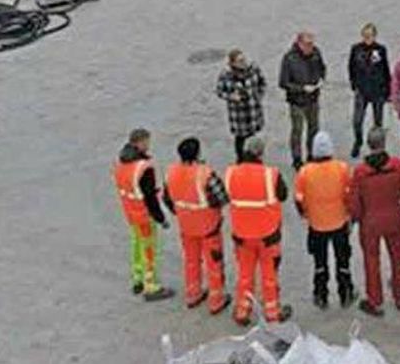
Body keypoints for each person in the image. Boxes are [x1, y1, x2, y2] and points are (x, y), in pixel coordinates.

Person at [225, 136, 292, 325]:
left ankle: (242, 310)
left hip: (241, 234)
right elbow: (283, 194)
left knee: (245, 274)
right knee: (269, 275)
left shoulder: (231, 173)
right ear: (261, 153)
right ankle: (272, 311)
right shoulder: (271, 174)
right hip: (267, 234)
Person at [162, 137, 231, 314]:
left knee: (191, 260)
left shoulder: (171, 173)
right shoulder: (205, 173)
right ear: (198, 153)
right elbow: (221, 198)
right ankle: (216, 299)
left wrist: (181, 212)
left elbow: (167, 198)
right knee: (214, 262)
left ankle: (193, 293)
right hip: (208, 226)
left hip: (186, 225)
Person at [349, 127, 400, 316]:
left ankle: (375, 299)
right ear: (384, 143)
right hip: (393, 218)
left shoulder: (360, 172)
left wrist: (357, 218)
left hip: (370, 221)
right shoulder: (397, 166)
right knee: (397, 257)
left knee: (371, 260)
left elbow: (355, 201)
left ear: (369, 145)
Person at [294, 132, 356, 310]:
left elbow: (299, 199)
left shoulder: (305, 172)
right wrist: (349, 215)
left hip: (317, 225)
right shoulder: (342, 168)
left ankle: (321, 294)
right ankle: (346, 293)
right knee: (343, 260)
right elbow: (349, 195)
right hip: (339, 222)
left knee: (319, 262)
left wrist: (306, 214)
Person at [113, 128, 175, 301]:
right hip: (143, 215)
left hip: (130, 213)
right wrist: (161, 218)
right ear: (139, 143)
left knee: (136, 246)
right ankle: (151, 285)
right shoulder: (143, 168)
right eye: (147, 141)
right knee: (149, 249)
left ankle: (138, 278)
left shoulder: (121, 165)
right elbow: (150, 198)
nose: (148, 145)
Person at [279, 32, 326, 170]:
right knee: (297, 131)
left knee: (314, 129)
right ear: (299, 43)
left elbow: (322, 68)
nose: (311, 47)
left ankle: (311, 154)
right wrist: (302, 88)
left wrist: (321, 79)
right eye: (307, 44)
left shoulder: (316, 53)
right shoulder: (289, 58)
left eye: (312, 43)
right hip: (297, 102)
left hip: (313, 99)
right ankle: (297, 158)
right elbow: (283, 82)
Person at [348, 23, 391, 158]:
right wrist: (354, 84)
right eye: (365, 35)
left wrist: (388, 90)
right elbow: (351, 67)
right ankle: (358, 141)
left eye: (370, 35)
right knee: (357, 120)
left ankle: (379, 146)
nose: (368, 38)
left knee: (378, 122)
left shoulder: (380, 49)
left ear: (374, 36)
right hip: (361, 90)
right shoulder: (356, 49)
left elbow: (386, 69)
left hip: (378, 91)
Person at [216, 49, 267, 162]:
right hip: (239, 115)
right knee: (240, 139)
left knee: (253, 137)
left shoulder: (253, 69)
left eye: (243, 59)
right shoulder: (226, 75)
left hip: (253, 111)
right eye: (240, 61)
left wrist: (259, 95)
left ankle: (254, 158)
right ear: (232, 63)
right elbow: (219, 91)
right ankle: (240, 160)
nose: (243, 62)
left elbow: (262, 82)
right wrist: (231, 97)